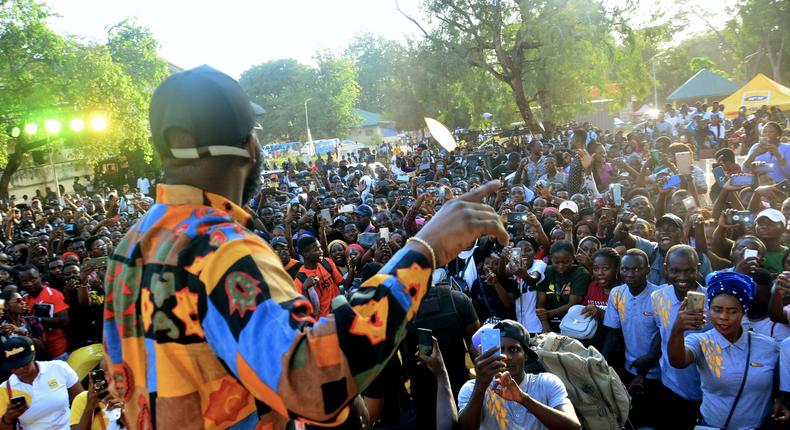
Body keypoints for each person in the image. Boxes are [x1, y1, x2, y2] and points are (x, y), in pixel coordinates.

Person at [102, 65, 508, 428]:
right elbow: (314, 382)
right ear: (249, 148)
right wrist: (425, 249)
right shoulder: (221, 250)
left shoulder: (130, 247)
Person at [669, 272, 786, 429]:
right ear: (709, 309)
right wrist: (677, 329)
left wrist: (784, 401)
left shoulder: (770, 347)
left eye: (732, 311)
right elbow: (678, 361)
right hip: (711, 425)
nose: (724, 317)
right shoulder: (700, 341)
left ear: (744, 312)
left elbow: (783, 382)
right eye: (717, 310)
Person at [457, 320, 580, 430]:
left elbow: (574, 427)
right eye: (500, 350)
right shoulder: (471, 388)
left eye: (514, 350)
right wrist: (480, 387)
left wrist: (523, 399)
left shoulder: (546, 382)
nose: (506, 357)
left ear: (526, 355)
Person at [601, 249, 661, 428]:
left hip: (658, 373)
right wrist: (600, 362)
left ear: (647, 270)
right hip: (629, 368)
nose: (630, 274)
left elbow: (663, 335)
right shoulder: (617, 293)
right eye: (626, 269)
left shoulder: (659, 296)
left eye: (637, 269)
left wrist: (647, 365)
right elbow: (613, 333)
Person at [650, 245, 707, 427]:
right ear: (666, 269)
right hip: (671, 385)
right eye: (675, 271)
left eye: (689, 271)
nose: (682, 278)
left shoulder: (713, 300)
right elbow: (661, 333)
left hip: (707, 389)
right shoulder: (657, 297)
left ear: (698, 269)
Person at [0, 336, 82, 430]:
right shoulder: (4, 389)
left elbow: (81, 402)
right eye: (15, 367)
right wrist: (7, 418)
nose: (20, 370)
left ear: (33, 356)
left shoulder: (59, 368)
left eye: (25, 364)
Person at [536, 241, 591, 332]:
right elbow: (541, 302)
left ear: (573, 258)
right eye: (556, 262)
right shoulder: (546, 271)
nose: (561, 266)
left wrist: (548, 314)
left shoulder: (580, 273)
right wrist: (544, 321)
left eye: (566, 262)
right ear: (551, 259)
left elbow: (572, 304)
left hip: (572, 323)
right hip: (547, 321)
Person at [19, 265, 69, 360]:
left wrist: (37, 319)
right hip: (37, 353)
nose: (29, 284)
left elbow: (64, 321)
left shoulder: (53, 294)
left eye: (33, 279)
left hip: (57, 351)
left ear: (40, 277)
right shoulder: (23, 299)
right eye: (25, 282)